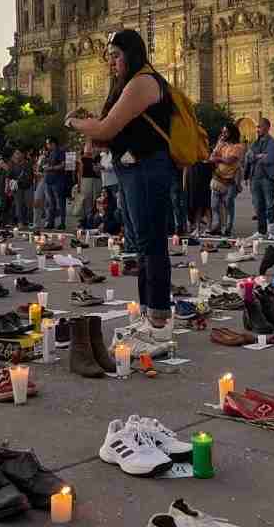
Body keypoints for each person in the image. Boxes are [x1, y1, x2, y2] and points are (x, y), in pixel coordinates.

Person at [66, 29, 173, 337]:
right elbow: (106, 137)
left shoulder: (142, 82)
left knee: (151, 242)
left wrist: (72, 121)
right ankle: (150, 314)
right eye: (109, 57)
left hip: (147, 169)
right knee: (142, 244)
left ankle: (159, 319)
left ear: (131, 54)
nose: (111, 62)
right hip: (132, 169)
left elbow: (106, 128)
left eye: (116, 56)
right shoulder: (129, 83)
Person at [246, 118, 274, 239]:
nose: (257, 129)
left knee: (269, 204)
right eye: (257, 127)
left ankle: (272, 230)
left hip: (266, 178)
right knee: (258, 205)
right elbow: (249, 157)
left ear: (267, 127)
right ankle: (261, 231)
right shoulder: (254, 143)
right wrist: (259, 156)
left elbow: (270, 159)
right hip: (255, 178)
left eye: (259, 127)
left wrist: (258, 157)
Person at [208, 123, 244, 237]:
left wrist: (217, 159)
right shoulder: (221, 145)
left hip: (230, 181)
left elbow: (230, 160)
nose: (223, 134)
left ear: (232, 133)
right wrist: (218, 146)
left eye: (226, 132)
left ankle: (227, 228)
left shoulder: (238, 146)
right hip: (217, 179)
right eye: (222, 132)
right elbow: (211, 158)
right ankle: (217, 226)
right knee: (214, 205)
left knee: (228, 205)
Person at [40, 137, 68, 230]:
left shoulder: (60, 152)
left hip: (58, 181)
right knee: (51, 203)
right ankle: (50, 222)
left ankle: (62, 223)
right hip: (49, 180)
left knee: (60, 203)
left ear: (53, 143)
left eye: (48, 144)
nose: (47, 146)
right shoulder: (50, 153)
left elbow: (63, 165)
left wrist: (51, 168)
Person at [77, 141, 102, 229]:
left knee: (96, 201)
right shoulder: (83, 158)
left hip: (97, 181)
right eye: (89, 147)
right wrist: (79, 184)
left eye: (94, 146)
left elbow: (101, 173)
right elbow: (80, 172)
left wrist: (98, 170)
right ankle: (86, 221)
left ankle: (94, 222)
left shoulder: (100, 157)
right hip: (86, 180)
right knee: (87, 201)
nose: (92, 149)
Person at [7, 149, 34, 228]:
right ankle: (20, 222)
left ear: (22, 155)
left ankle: (30, 221)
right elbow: (9, 176)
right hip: (18, 188)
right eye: (16, 153)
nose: (17, 155)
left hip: (27, 187)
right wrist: (8, 186)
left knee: (28, 205)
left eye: (19, 153)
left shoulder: (27, 164)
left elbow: (30, 177)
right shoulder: (12, 165)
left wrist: (19, 181)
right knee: (18, 205)